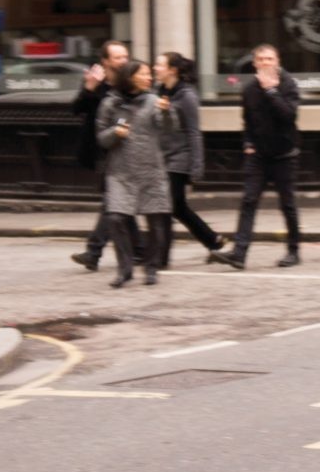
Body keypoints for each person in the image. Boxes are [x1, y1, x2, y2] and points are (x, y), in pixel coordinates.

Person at [224, 44, 305, 268]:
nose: (265, 63)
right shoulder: (249, 89)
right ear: (255, 63)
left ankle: (293, 251)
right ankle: (239, 254)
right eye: (261, 59)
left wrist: (271, 92)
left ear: (277, 61)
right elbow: (247, 120)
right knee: (249, 201)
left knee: (287, 204)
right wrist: (247, 143)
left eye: (270, 59)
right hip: (258, 155)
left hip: (285, 154)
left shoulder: (288, 84)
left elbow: (289, 116)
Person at [94, 61, 170, 289]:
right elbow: (100, 138)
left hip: (151, 170)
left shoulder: (155, 101)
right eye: (144, 73)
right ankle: (125, 270)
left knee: (156, 221)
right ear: (130, 77)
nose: (149, 77)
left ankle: (151, 267)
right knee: (116, 218)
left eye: (150, 73)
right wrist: (115, 133)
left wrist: (167, 113)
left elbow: (167, 131)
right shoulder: (110, 104)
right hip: (121, 172)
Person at [152, 53, 228, 268]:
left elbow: (194, 133)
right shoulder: (160, 91)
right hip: (163, 158)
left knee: (167, 206)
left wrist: (196, 166)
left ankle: (162, 258)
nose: (155, 68)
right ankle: (213, 240)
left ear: (172, 70)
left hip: (180, 158)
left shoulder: (187, 96)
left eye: (159, 65)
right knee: (177, 207)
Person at [69, 39, 133, 273]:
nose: (124, 61)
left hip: (126, 149)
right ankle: (140, 250)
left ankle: (94, 252)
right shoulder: (96, 84)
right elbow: (76, 109)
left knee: (113, 202)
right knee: (115, 202)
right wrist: (88, 88)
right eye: (118, 57)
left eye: (125, 56)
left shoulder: (130, 82)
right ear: (105, 62)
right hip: (101, 151)